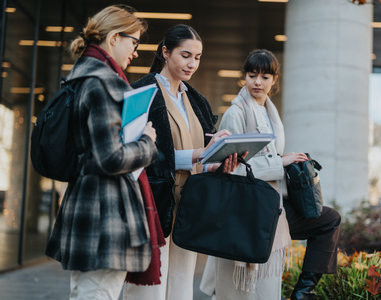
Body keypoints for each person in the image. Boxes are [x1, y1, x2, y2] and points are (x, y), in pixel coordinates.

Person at [202, 49, 341, 300]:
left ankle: (304, 291)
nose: (257, 81)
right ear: (244, 76)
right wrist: (281, 162)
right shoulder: (237, 113)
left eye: (265, 76)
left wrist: (291, 164)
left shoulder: (270, 112)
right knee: (241, 292)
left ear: (274, 80)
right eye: (252, 75)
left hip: (270, 204)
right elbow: (231, 169)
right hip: (245, 210)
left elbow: (265, 158)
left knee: (328, 219)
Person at [45, 5, 158, 300]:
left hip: (86, 206)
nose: (135, 52)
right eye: (133, 42)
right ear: (114, 38)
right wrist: (147, 142)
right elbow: (111, 158)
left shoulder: (82, 76)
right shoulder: (104, 82)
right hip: (106, 214)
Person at [123, 24, 241, 300]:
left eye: (198, 57)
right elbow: (141, 157)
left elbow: (199, 158)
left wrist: (214, 162)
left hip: (188, 208)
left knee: (180, 289)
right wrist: (198, 154)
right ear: (165, 52)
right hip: (152, 205)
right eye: (186, 55)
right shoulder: (142, 93)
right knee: (147, 292)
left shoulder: (197, 100)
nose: (192, 63)